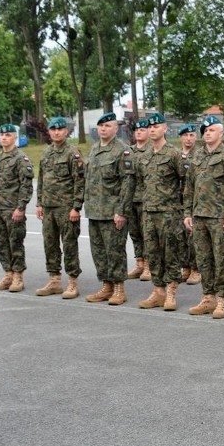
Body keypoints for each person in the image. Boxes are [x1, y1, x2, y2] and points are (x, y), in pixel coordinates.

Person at [183, 115, 224, 319]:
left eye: (211, 130)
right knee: (203, 259)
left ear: (221, 133)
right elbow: (189, 187)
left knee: (221, 258)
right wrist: (187, 213)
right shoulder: (197, 156)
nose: (207, 133)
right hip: (199, 216)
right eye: (205, 131)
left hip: (220, 217)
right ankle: (208, 297)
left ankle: (222, 299)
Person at [131, 112, 187, 311]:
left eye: (156, 126)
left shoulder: (173, 154)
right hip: (149, 212)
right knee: (152, 253)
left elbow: (185, 181)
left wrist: (183, 209)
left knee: (171, 252)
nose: (152, 129)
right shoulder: (144, 156)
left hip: (169, 213)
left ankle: (171, 291)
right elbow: (140, 182)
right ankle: (158, 291)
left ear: (165, 129)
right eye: (150, 127)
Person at [83, 112, 133, 305]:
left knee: (115, 251)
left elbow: (127, 183)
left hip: (113, 212)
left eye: (107, 126)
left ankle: (119, 288)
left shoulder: (123, 150)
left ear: (116, 128)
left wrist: (121, 211)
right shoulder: (94, 149)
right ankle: (106, 286)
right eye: (100, 126)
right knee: (98, 251)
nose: (103, 129)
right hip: (95, 211)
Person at [34, 116, 85, 299]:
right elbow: (41, 179)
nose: (56, 132)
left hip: (66, 208)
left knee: (69, 244)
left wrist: (76, 207)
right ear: (49, 132)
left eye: (60, 129)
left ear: (66, 131)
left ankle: (72, 282)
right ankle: (54, 280)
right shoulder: (46, 153)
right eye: (53, 129)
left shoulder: (73, 153)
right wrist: (39, 202)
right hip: (48, 208)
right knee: (50, 244)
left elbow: (79, 181)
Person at [0, 123, 33, 292]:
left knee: (15, 242)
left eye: (8, 135)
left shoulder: (21, 159)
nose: (4, 138)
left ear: (15, 137)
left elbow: (26, 185)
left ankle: (18, 276)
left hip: (13, 209)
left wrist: (21, 207)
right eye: (2, 135)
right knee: (1, 243)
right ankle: (8, 274)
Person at [128, 118, 151, 281]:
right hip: (131, 199)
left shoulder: (152, 151)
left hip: (146, 199)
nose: (139, 132)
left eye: (142, 130)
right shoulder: (128, 152)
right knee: (135, 233)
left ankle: (149, 265)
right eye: (136, 130)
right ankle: (139, 262)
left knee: (147, 234)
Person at [178, 123, 201, 285]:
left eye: (192, 135)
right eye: (186, 135)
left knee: (193, 237)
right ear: (181, 137)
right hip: (176, 202)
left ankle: (196, 269)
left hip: (193, 202)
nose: (188, 138)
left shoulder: (199, 155)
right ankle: (184, 267)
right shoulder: (176, 155)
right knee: (180, 237)